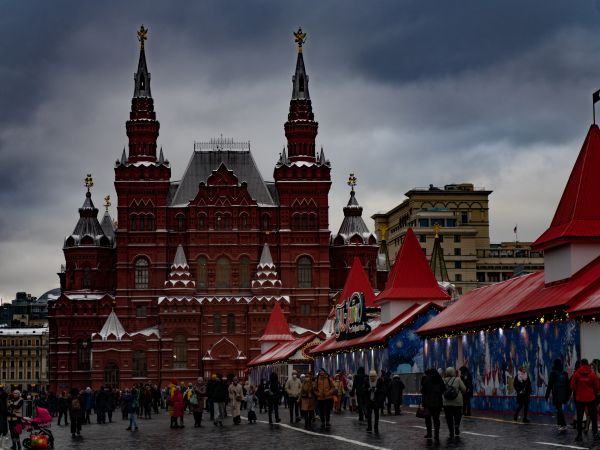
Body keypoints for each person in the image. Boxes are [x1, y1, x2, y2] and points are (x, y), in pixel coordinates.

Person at [571, 358, 600, 441]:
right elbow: (597, 387)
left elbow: (572, 386)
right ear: (587, 364)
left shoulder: (576, 374)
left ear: (581, 364)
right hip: (591, 398)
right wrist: (592, 392)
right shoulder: (592, 374)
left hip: (580, 398)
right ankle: (595, 434)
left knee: (579, 418)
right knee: (593, 417)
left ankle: (579, 435)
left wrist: (579, 390)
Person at [545, 359, 571, 433]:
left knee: (559, 409)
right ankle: (559, 424)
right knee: (559, 408)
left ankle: (563, 424)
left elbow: (550, 385)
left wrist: (546, 395)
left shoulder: (553, 373)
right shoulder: (565, 373)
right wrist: (568, 396)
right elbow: (568, 386)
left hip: (556, 393)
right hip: (564, 394)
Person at [421, 368, 445, 442]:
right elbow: (443, 389)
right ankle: (436, 435)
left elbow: (423, 390)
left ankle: (429, 433)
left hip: (428, 403)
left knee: (428, 419)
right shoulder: (439, 379)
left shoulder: (427, 380)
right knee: (436, 419)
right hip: (437, 403)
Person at [442, 367, 466, 440]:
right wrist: (460, 393)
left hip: (447, 403)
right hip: (457, 401)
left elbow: (441, 390)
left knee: (449, 418)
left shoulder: (443, 380)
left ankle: (451, 432)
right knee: (458, 415)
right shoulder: (458, 379)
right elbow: (464, 389)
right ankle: (457, 425)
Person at [364, 369, 386, 434]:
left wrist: (377, 389)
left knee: (376, 415)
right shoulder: (366, 381)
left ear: (376, 376)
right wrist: (368, 389)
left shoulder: (380, 381)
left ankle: (376, 427)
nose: (372, 378)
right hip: (369, 400)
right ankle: (369, 427)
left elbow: (383, 390)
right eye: (371, 376)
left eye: (373, 376)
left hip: (376, 401)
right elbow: (363, 389)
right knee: (369, 415)